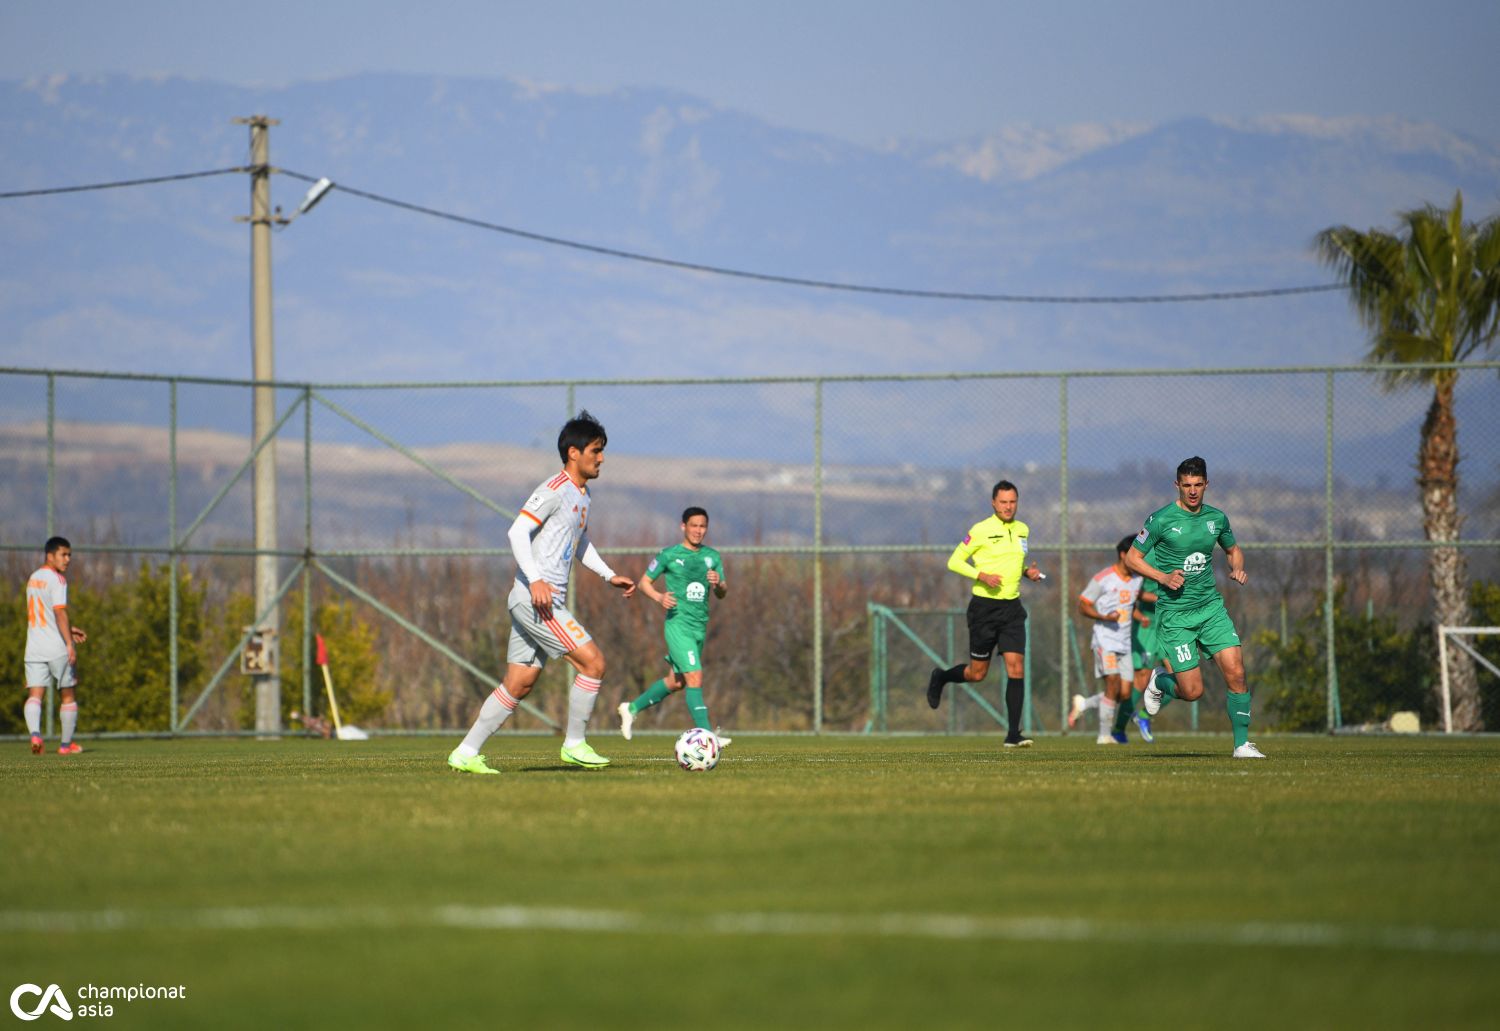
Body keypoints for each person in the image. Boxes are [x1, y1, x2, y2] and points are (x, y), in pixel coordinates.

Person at [448, 411, 636, 774]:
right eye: (596, 450)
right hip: (537, 600)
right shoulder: (553, 490)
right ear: (573, 453)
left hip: (538, 599)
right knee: (593, 662)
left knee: (519, 683)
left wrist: (609, 575)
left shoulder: (583, 495)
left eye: (602, 451)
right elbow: (517, 532)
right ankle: (575, 744)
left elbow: (580, 543)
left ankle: (466, 752)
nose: (601, 458)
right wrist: (535, 579)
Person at [1125, 456, 1265, 759]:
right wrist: (1163, 576)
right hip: (1176, 616)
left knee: (1237, 673)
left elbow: (1233, 549)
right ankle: (1161, 680)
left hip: (1211, 610)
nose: (1192, 491)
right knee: (1192, 692)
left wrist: (1237, 567)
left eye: (1197, 485)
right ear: (1177, 485)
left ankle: (1242, 744)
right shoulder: (1160, 520)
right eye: (1186, 485)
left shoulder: (1217, 519)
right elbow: (1132, 559)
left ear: (1206, 485)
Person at [926, 480, 1044, 748]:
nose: (1008, 506)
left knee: (1016, 667)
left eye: (1012, 502)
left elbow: (1015, 561)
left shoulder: (1023, 529)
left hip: (1012, 609)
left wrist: (1028, 572)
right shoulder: (980, 530)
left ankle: (1013, 734)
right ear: (993, 503)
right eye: (1003, 502)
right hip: (984, 610)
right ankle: (942, 677)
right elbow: (954, 561)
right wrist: (981, 575)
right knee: (977, 674)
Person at [618, 507, 731, 746]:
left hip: (699, 626)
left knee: (677, 681)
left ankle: (632, 707)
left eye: (703, 526)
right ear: (683, 527)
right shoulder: (668, 555)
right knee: (694, 676)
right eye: (694, 525)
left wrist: (718, 583)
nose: (698, 530)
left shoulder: (712, 556)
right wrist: (659, 598)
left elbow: (722, 592)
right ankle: (708, 736)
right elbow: (644, 583)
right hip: (678, 625)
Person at [1069, 537, 1143, 744]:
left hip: (1125, 643)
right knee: (1112, 683)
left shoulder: (1138, 579)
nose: (1140, 559)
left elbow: (1130, 603)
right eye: (1137, 555)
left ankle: (1084, 704)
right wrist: (1104, 617)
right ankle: (1104, 735)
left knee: (1124, 693)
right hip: (1105, 640)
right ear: (1123, 555)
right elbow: (1083, 605)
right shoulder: (1103, 578)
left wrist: (1141, 617)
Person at [24, 536, 87, 755]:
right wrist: (69, 643)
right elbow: (59, 611)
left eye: (69, 555)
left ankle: (34, 734)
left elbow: (45, 616)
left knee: (35, 695)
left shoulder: (33, 578)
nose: (68, 559)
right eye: (63, 554)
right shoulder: (57, 579)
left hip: (33, 647)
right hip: (56, 648)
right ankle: (65, 745)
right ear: (50, 556)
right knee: (68, 695)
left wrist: (69, 629)